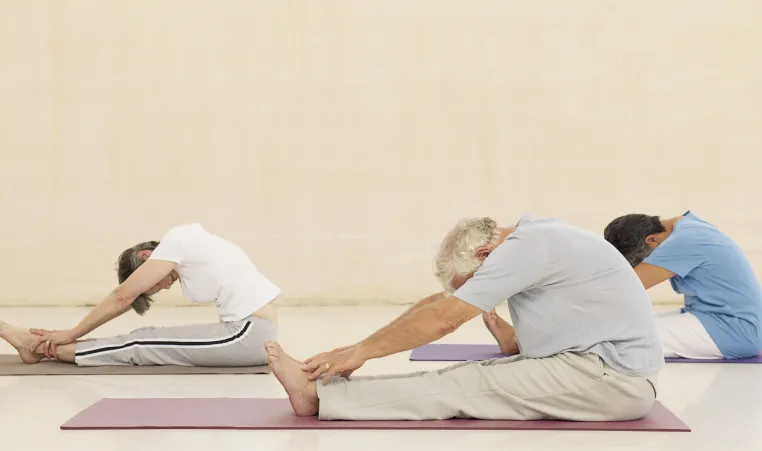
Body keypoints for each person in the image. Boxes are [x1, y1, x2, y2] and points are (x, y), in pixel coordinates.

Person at [264, 214, 663, 421]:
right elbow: (438, 303)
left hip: (612, 379)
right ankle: (327, 395)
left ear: (486, 256)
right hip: (601, 372)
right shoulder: (534, 238)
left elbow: (443, 318)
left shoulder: (529, 245)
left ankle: (318, 397)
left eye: (473, 281)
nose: (474, 291)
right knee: (467, 375)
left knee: (465, 384)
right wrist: (355, 347)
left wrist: (362, 352)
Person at [0, 223, 279, 367]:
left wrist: (71, 333)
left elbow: (122, 296)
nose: (164, 287)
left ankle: (35, 347)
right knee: (143, 337)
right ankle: (43, 345)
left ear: (146, 256)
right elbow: (125, 296)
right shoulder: (191, 243)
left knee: (140, 345)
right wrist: (74, 333)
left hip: (248, 335)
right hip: (249, 332)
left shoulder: (178, 241)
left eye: (153, 286)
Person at [604, 211, 762, 360]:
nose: (645, 264)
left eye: (640, 261)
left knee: (617, 338)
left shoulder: (685, 240)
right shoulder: (690, 226)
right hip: (721, 319)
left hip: (734, 330)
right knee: (623, 325)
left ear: (651, 240)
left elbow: (622, 287)